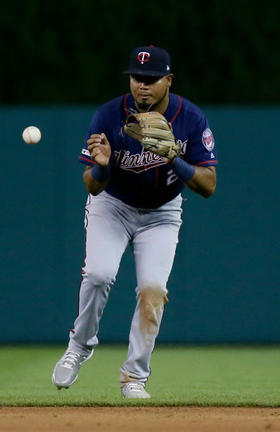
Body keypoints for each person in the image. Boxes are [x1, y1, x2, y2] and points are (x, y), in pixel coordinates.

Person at [51, 45, 218, 399]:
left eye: (151, 79)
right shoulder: (109, 115)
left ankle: (134, 377)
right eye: (136, 78)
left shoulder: (190, 118)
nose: (142, 85)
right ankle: (79, 347)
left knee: (153, 290)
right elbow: (93, 186)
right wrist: (103, 164)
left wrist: (175, 158)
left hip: (162, 213)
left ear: (168, 80)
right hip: (112, 207)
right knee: (98, 274)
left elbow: (208, 186)